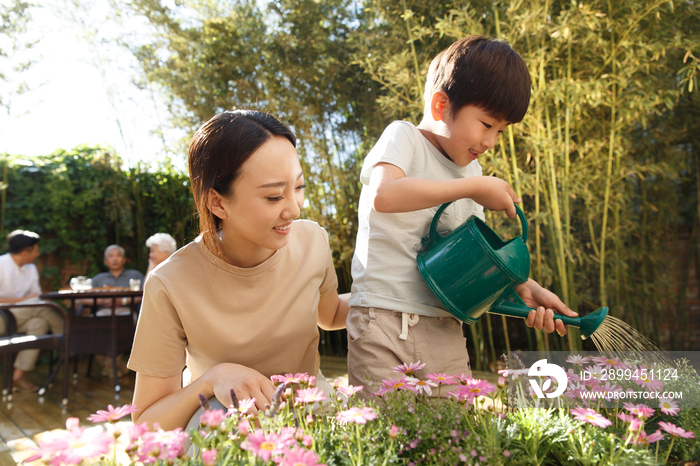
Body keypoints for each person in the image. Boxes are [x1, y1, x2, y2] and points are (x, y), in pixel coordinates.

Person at [347, 35, 579, 390]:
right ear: (441, 106)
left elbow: (476, 259)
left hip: (445, 327)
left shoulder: (473, 174)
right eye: (487, 125)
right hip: (382, 320)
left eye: (501, 131)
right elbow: (385, 195)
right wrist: (472, 188)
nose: (491, 142)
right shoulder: (404, 138)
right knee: (384, 433)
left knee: (455, 437)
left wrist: (523, 286)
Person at [127, 110, 349, 431]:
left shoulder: (312, 240)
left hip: (310, 410)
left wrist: (398, 292)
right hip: (226, 425)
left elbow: (329, 315)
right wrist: (211, 380)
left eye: (298, 187)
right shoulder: (170, 282)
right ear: (217, 203)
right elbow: (147, 421)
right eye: (274, 196)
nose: (294, 209)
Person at [0, 230, 63, 391]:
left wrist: (37, 300)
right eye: (35, 250)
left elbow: (37, 297)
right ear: (24, 252)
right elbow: (34, 300)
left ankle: (17, 377)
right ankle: (66, 335)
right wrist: (26, 300)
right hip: (2, 317)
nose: (38, 253)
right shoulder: (1, 265)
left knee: (39, 324)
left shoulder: (31, 269)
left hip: (22, 316)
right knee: (37, 304)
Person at [82, 245, 144, 317]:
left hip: (128, 312)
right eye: (111, 256)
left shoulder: (135, 275)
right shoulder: (98, 279)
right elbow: (81, 299)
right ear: (105, 261)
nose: (115, 259)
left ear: (124, 259)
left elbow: (144, 295)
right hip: (102, 313)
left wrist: (123, 301)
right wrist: (102, 301)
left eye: (118, 256)